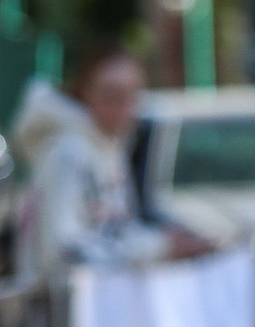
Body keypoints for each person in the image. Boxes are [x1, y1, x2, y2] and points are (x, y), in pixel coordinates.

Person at [14, 44, 211, 279]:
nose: (125, 107)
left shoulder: (109, 147)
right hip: (64, 309)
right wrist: (158, 249)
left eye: (132, 95)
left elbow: (115, 230)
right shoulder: (68, 153)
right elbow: (65, 253)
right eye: (112, 95)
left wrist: (164, 241)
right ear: (86, 92)